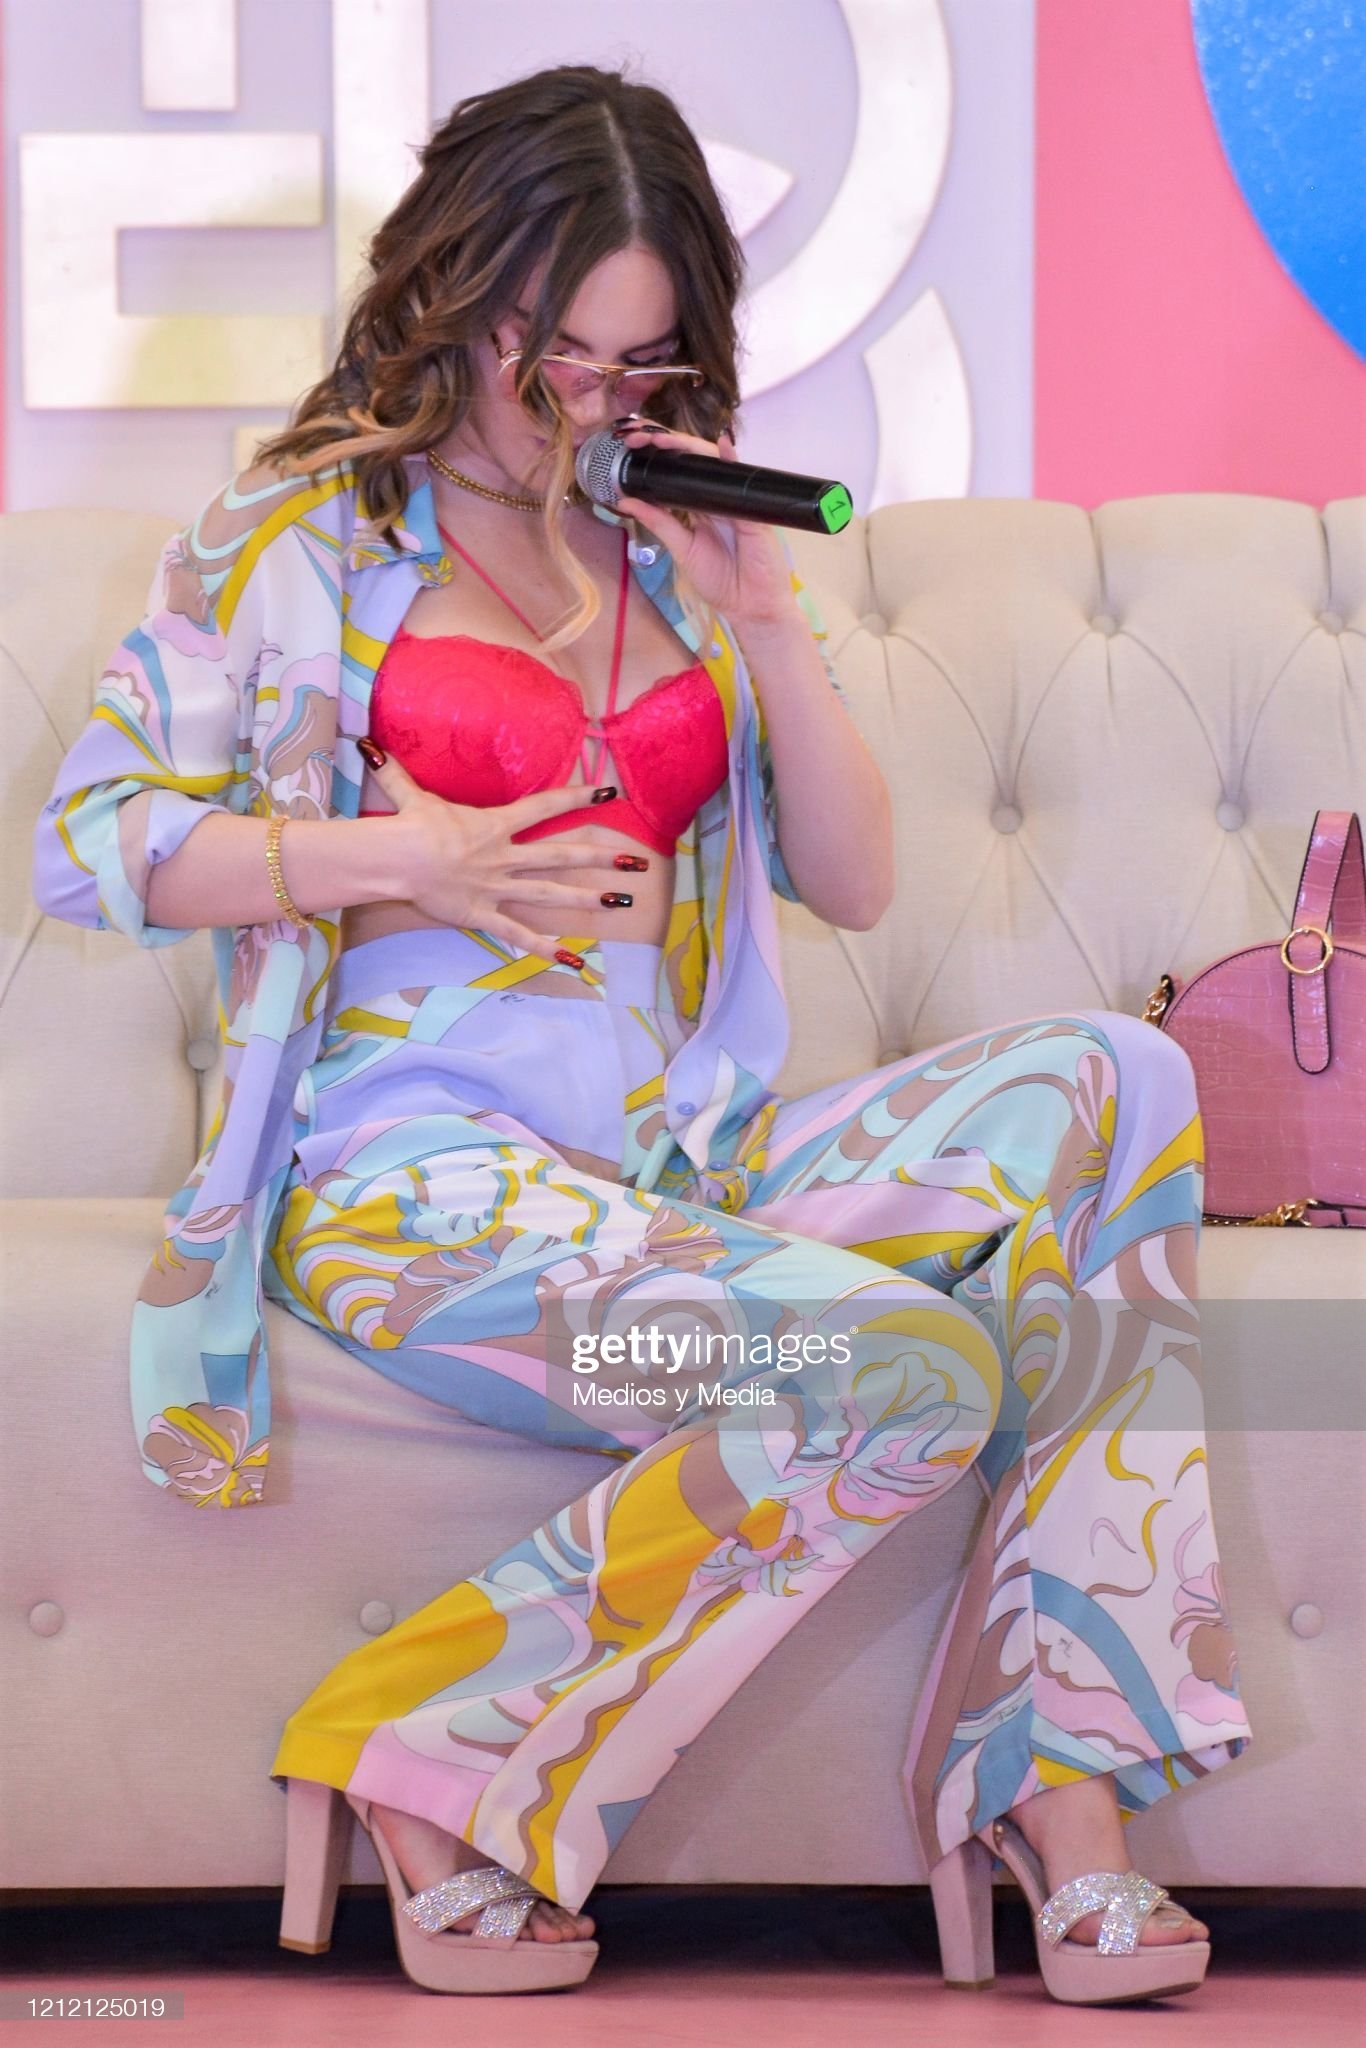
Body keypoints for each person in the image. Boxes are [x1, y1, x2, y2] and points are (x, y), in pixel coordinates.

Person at [32, 62, 1250, 2005]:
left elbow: (853, 882)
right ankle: (422, 1751)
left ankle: (1056, 1771)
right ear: (452, 296)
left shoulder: (670, 550)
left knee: (1116, 1077)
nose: (578, 399)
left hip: (682, 1170)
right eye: (546, 349)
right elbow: (95, 843)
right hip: (419, 1199)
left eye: (633, 362)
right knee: (902, 1369)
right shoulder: (301, 536)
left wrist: (758, 614)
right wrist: (408, 858)